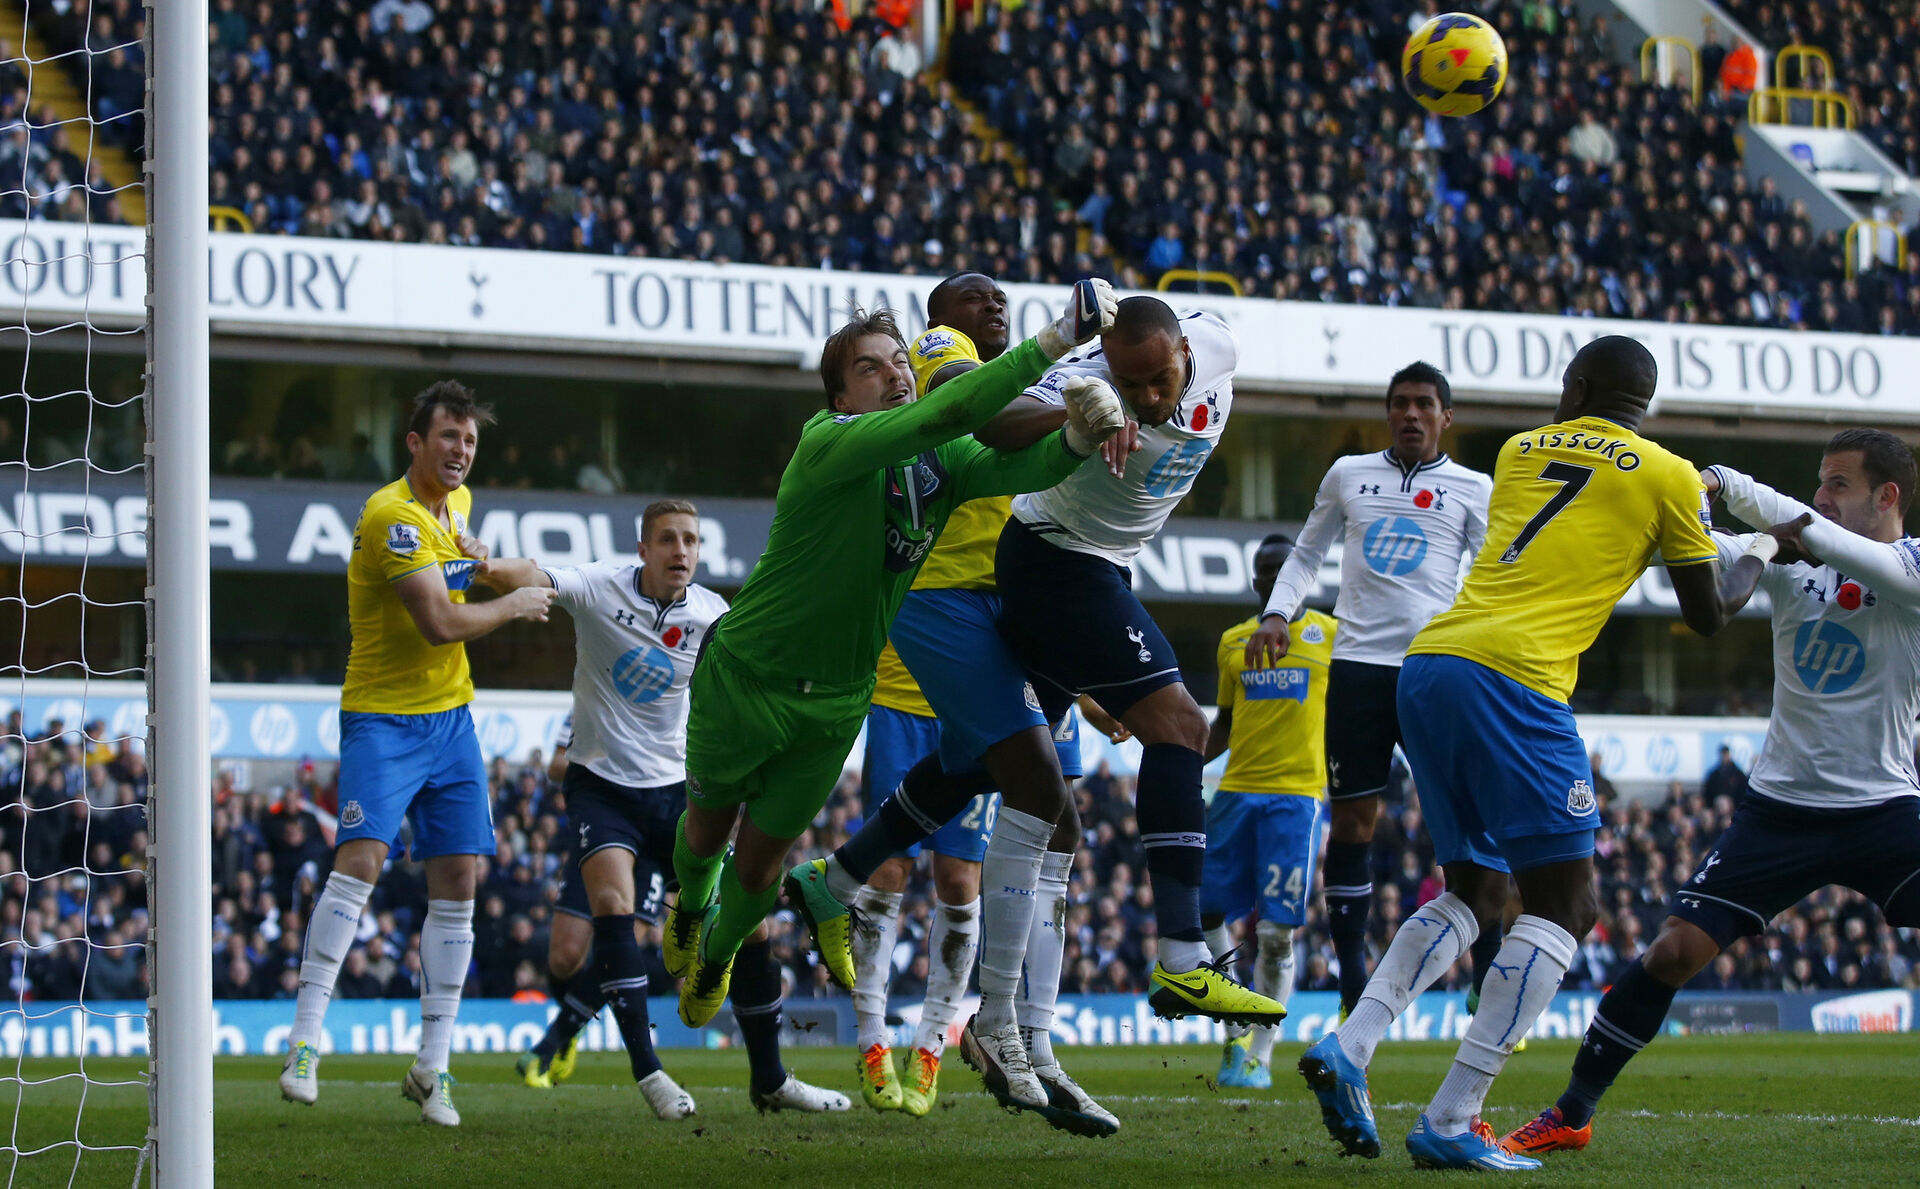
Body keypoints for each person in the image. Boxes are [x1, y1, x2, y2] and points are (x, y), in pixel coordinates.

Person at [1296, 336, 1768, 1170]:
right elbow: (1707, 611)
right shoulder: (1665, 473)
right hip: (1519, 679)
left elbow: (1576, 502)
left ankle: (1351, 1042)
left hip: (1430, 663)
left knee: (1476, 886)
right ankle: (1453, 1115)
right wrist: (1762, 550)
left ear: (1577, 386)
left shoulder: (1519, 450)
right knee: (1570, 902)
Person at [663, 282, 1125, 1034]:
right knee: (707, 835)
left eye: (897, 363)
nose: (895, 374)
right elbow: (951, 408)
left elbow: (1025, 468)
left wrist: (1079, 435)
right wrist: (1053, 341)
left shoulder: (939, 460)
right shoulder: (827, 441)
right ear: (841, 397)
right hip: (746, 678)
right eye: (871, 368)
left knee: (758, 869)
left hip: (837, 700)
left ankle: (715, 949)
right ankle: (688, 904)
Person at [1504, 429, 1920, 1157]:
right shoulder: (1796, 560)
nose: (1822, 497)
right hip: (1780, 811)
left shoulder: (1908, 563)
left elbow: (1823, 538)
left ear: (1888, 496)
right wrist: (1688, 511)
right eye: (1819, 484)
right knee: (1671, 952)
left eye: (1839, 485)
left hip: (1885, 808)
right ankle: (1572, 1110)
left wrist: (1726, 479)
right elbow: (1702, 556)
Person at [835, 274, 1106, 1127]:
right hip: (914, 662)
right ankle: (875, 1040)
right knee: (895, 870)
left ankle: (934, 1042)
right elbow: (975, 406)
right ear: (938, 319)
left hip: (991, 646)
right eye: (975, 297)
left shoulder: (1021, 387)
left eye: (999, 299)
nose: (994, 306)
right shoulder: (945, 359)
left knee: (961, 879)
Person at [482, 501, 847, 1118]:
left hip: (683, 794)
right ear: (644, 548)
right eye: (669, 540)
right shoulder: (599, 587)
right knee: (608, 911)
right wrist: (486, 568)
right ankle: (647, 1070)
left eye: (692, 541)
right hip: (604, 788)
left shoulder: (714, 615)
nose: (682, 551)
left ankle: (771, 1079)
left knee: (750, 919)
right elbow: (536, 574)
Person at [279, 380, 557, 1126]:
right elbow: (438, 621)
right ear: (415, 442)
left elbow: (475, 569)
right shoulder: (392, 515)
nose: (461, 451)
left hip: (452, 720)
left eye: (469, 440)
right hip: (383, 718)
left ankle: (432, 1066)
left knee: (460, 875)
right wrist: (513, 601)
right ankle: (305, 1042)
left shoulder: (456, 509)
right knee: (363, 858)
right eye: (448, 438)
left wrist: (492, 564)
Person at [1245, 361, 1490, 1020]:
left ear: (1446, 417)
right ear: (1388, 412)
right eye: (1401, 403)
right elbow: (1305, 552)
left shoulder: (1473, 487)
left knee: (1463, 822)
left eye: (1424, 404)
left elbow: (1497, 570)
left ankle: (1488, 959)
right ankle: (1355, 982)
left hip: (1435, 671)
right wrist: (1278, 612)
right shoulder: (1348, 473)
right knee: (1353, 823)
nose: (1411, 414)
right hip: (1355, 669)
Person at [1203, 533, 1337, 1089]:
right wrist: (1177, 759)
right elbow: (1226, 725)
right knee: (1203, 912)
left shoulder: (1332, 636)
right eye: (1266, 569)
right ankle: (1236, 1013)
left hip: (1296, 798)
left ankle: (1258, 1051)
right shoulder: (1234, 642)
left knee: (1278, 934)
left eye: (1286, 568)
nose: (1275, 576)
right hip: (1235, 792)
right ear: (1256, 580)